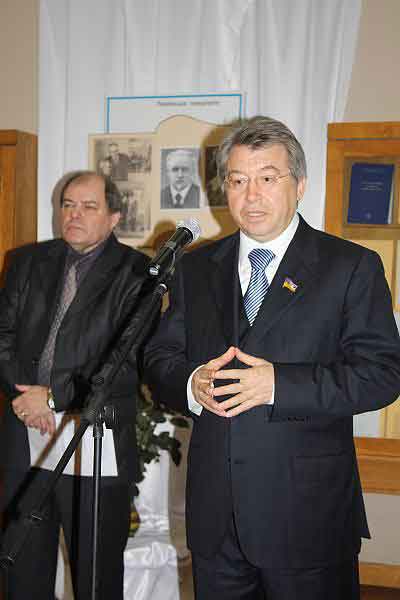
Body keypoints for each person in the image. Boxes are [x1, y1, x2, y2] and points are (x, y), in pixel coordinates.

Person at [144, 116, 400, 600]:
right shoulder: (195, 268)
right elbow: (159, 357)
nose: (251, 195)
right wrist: (191, 382)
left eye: (267, 177)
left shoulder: (351, 266)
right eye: (238, 180)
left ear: (299, 185)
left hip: (307, 518)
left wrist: (279, 386)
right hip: (217, 520)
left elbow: (382, 374)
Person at [0, 172, 149, 599]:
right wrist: (27, 398)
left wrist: (52, 398)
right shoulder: (27, 261)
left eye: (88, 207)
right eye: (67, 205)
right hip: (25, 436)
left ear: (114, 217)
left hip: (94, 442)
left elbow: (125, 361)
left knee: (95, 578)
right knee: (23, 571)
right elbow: (3, 336)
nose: (73, 215)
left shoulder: (138, 273)